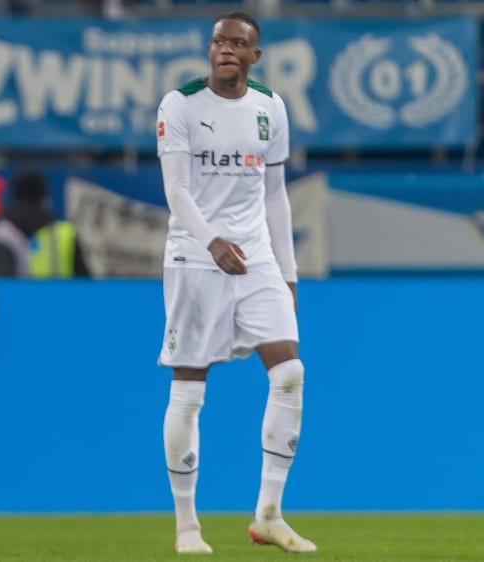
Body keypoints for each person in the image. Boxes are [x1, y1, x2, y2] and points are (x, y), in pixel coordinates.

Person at [155, 11, 316, 555]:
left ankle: (268, 513)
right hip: (195, 260)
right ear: (209, 49)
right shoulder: (180, 105)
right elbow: (176, 190)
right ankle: (186, 526)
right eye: (220, 41)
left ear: (254, 56)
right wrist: (211, 242)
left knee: (290, 373)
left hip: (257, 263)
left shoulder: (271, 108)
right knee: (190, 390)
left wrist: (288, 273)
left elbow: (275, 195)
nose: (227, 49)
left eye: (238, 43)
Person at [4, 170, 89, 278]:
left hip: (9, 293)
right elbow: (83, 278)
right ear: (43, 194)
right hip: (59, 293)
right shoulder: (64, 232)